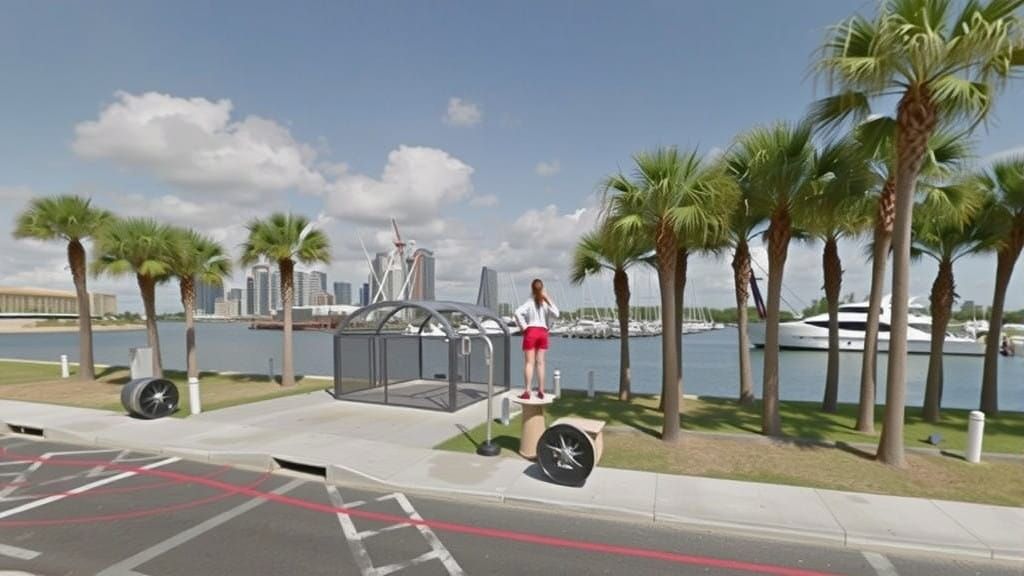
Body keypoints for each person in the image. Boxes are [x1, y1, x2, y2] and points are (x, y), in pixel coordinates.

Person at [514, 278, 559, 399]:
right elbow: (556, 313)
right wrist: (547, 298)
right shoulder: (546, 303)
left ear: (532, 289)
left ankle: (528, 390)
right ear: (542, 289)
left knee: (529, 363)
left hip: (531, 331)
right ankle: (541, 390)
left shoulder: (529, 302)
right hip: (543, 332)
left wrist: (524, 327)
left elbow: (517, 313)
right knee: (541, 363)